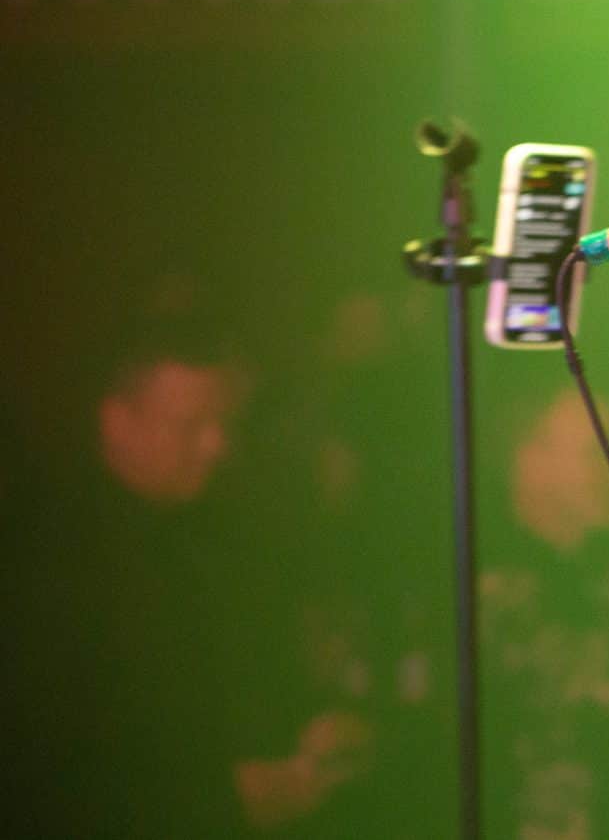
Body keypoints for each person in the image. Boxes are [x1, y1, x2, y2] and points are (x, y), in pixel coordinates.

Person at [6, 331, 371, 836]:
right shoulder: (46, 564)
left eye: (223, 423)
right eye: (191, 425)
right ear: (117, 423)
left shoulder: (216, 532)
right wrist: (220, 799)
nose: (217, 445)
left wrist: (311, 730)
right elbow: (48, 765)